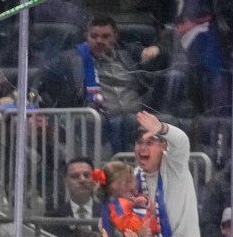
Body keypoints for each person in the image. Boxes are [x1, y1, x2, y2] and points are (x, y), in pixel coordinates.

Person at [35, 16, 159, 152]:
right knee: (116, 123)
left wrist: (156, 49)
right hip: (98, 118)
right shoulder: (71, 59)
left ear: (115, 37)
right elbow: (40, 77)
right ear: (86, 36)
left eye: (105, 36)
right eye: (94, 36)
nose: (99, 41)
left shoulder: (127, 55)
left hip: (135, 115)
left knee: (166, 120)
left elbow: (159, 57)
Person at [132, 112, 206, 237]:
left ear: (163, 146)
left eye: (151, 142)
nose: (143, 148)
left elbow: (181, 141)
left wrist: (162, 129)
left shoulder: (175, 165)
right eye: (140, 143)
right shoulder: (133, 179)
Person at [46, 157, 103, 237]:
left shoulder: (109, 214)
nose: (82, 180)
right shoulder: (53, 218)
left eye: (87, 175)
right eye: (75, 176)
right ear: (65, 181)